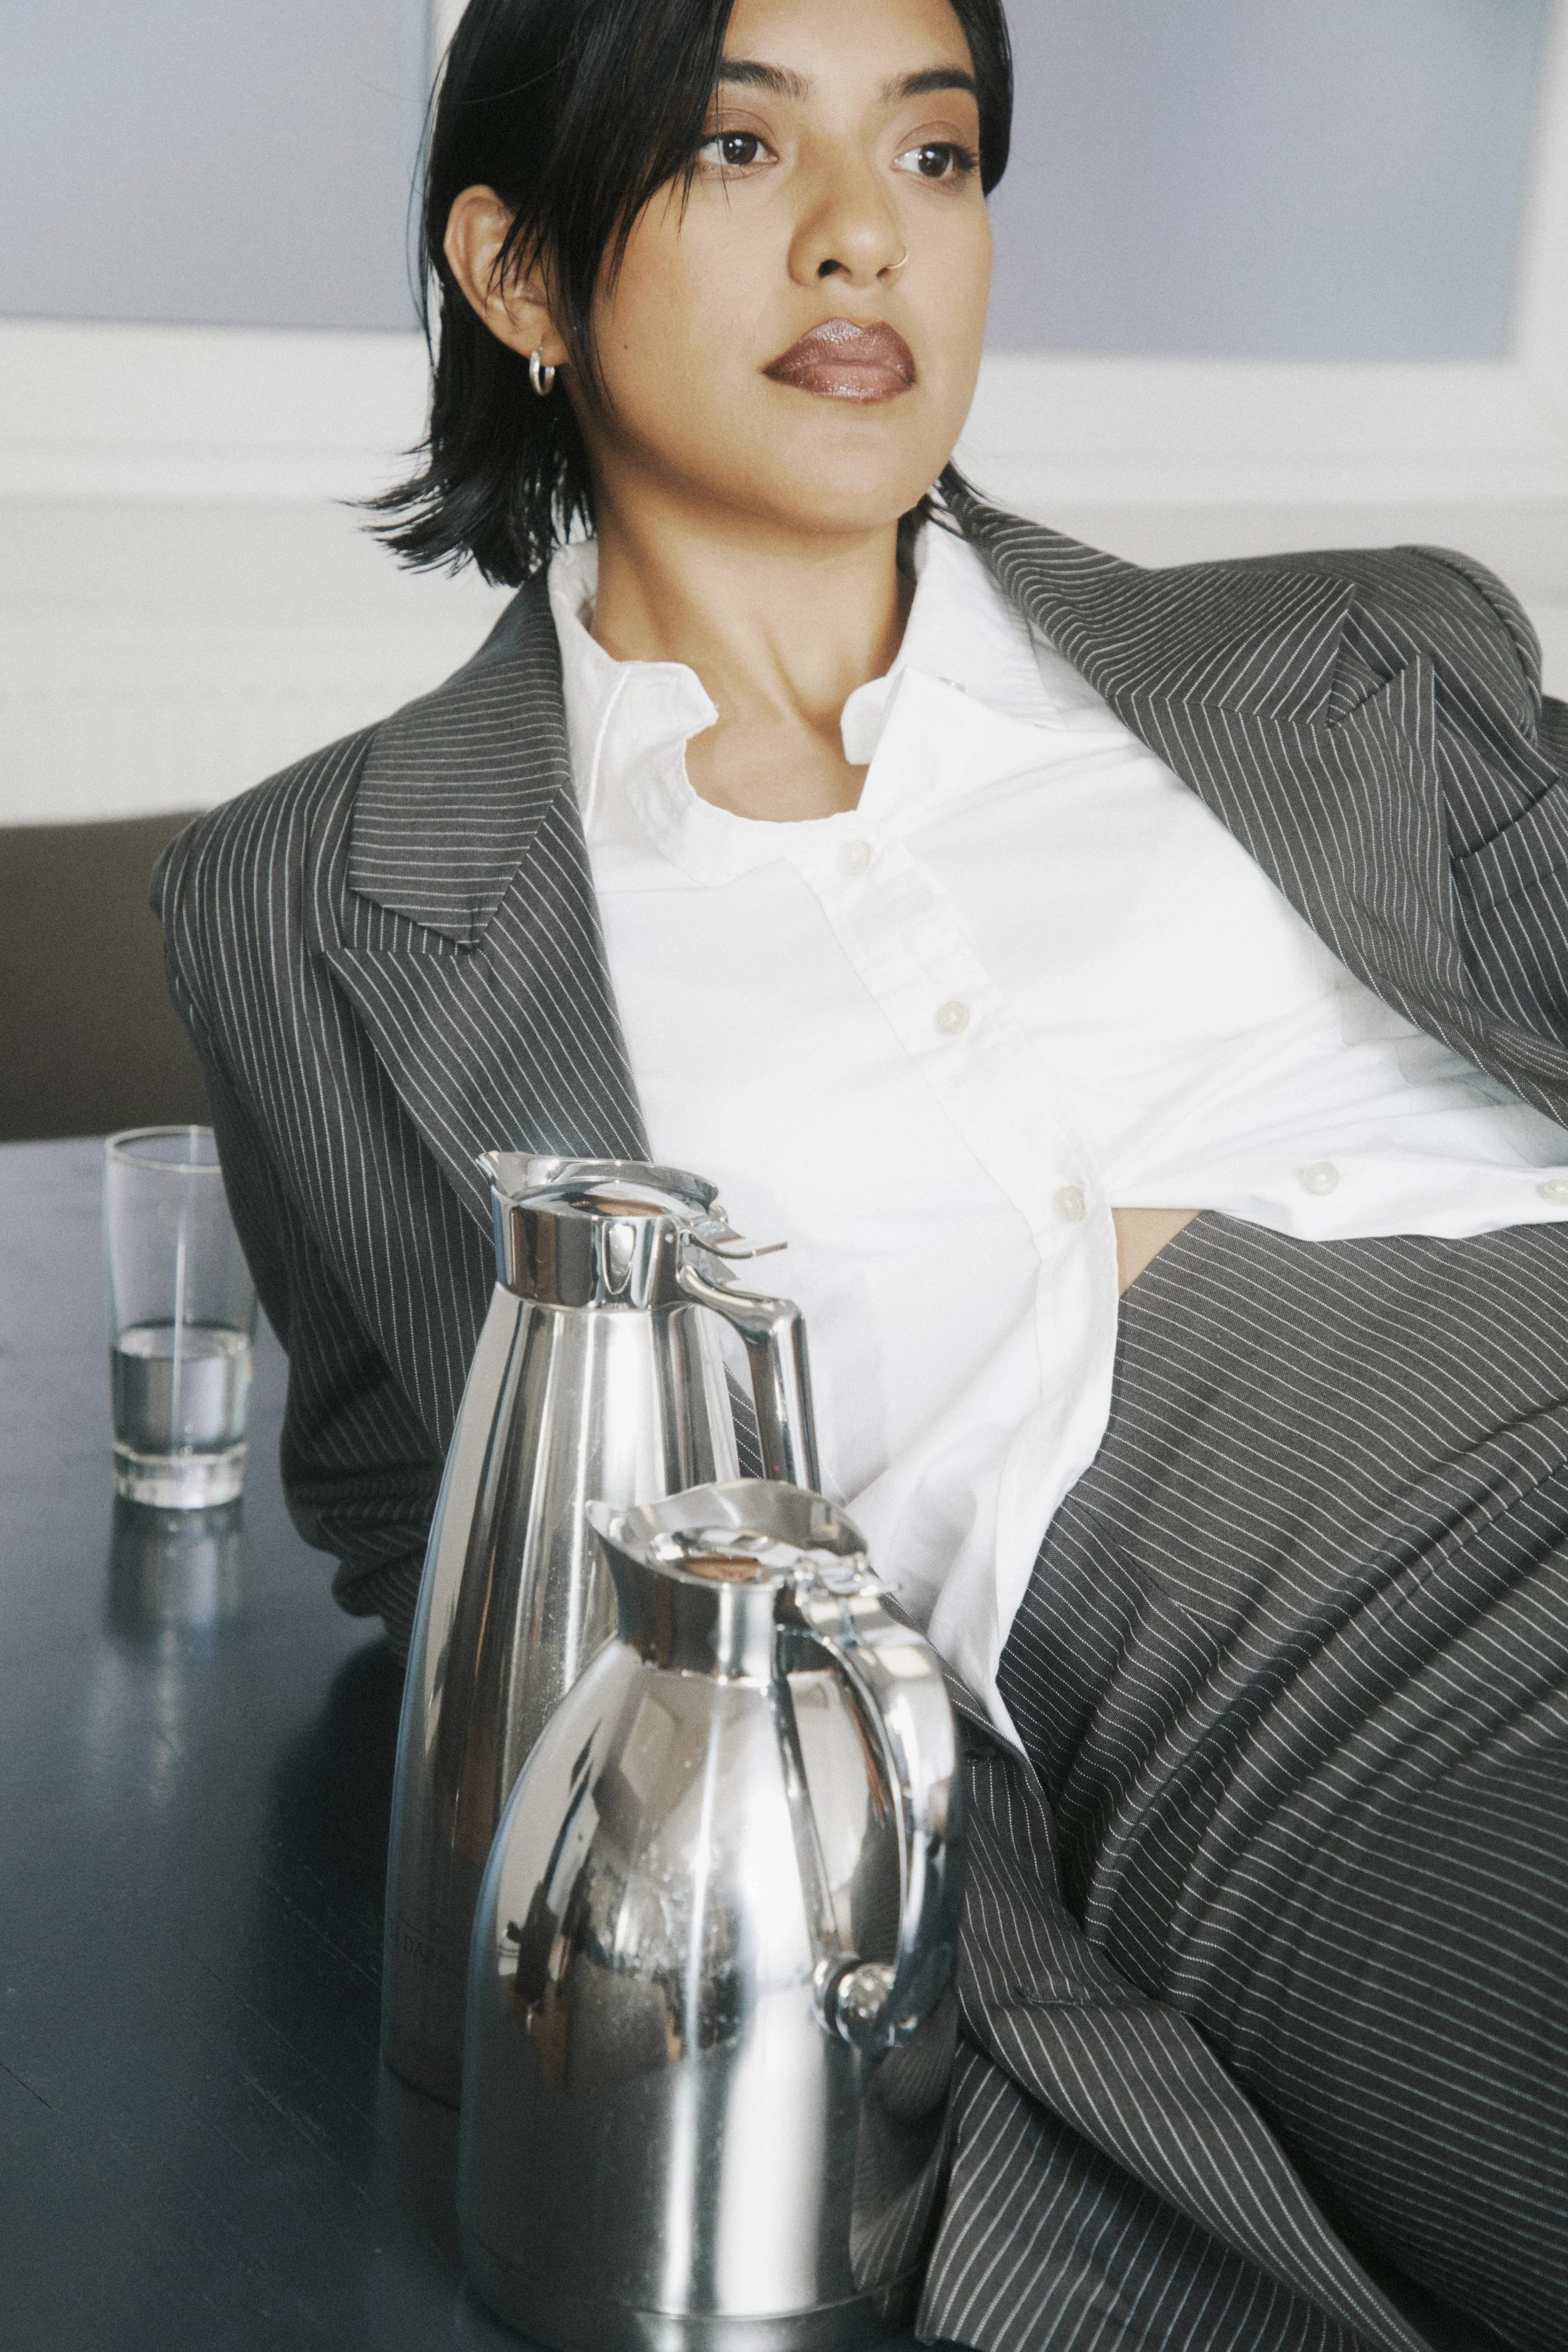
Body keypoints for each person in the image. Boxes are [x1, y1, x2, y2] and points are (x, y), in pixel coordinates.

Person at [154, 1, 1568, 2346]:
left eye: (932, 157)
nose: (859, 240)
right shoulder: (324, 899)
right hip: (1310, 1705)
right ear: (512, 271)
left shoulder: (1359, 658)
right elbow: (429, 1498)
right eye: (733, 147)